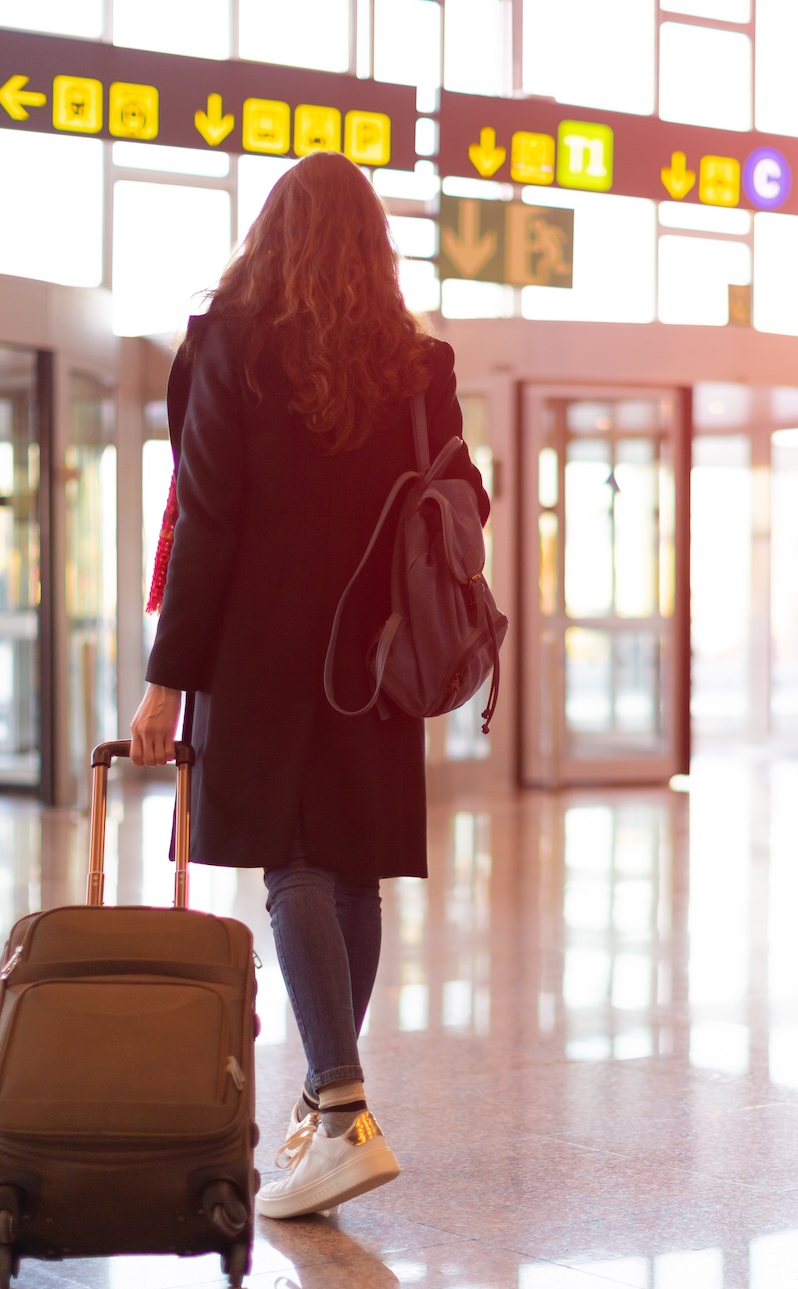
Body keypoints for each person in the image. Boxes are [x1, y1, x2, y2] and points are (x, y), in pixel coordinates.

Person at [128, 151, 490, 1220]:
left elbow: (209, 527)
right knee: (350, 873)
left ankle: (338, 1114)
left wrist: (164, 684)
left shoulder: (227, 345)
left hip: (263, 651)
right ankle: (328, 1108)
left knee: (292, 866)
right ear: (376, 249)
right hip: (375, 651)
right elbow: (463, 494)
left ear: (271, 234)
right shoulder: (419, 364)